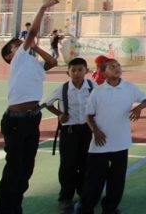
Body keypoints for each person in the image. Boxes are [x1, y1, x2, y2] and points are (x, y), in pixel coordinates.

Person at [0, 0, 60, 214]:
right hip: (17, 120)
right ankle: (5, 207)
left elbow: (52, 63)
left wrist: (38, 48)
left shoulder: (30, 61)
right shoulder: (19, 59)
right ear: (9, 56)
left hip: (32, 118)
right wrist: (42, 8)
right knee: (15, 167)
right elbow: (31, 34)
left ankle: (15, 205)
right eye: (16, 45)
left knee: (26, 167)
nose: (21, 44)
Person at [76, 59, 146, 214]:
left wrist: (139, 108)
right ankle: (86, 207)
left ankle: (110, 208)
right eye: (112, 67)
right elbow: (88, 115)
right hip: (100, 143)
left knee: (117, 180)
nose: (116, 68)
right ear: (104, 73)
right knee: (94, 180)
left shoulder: (129, 88)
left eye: (118, 66)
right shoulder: (98, 91)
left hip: (121, 142)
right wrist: (95, 131)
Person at [45, 58, 95, 210]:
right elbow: (47, 103)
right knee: (68, 165)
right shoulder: (63, 89)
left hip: (87, 130)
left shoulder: (93, 87)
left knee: (86, 163)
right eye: (73, 70)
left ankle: (84, 193)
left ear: (86, 71)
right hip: (69, 131)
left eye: (80, 70)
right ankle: (66, 197)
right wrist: (60, 114)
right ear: (68, 73)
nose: (77, 73)